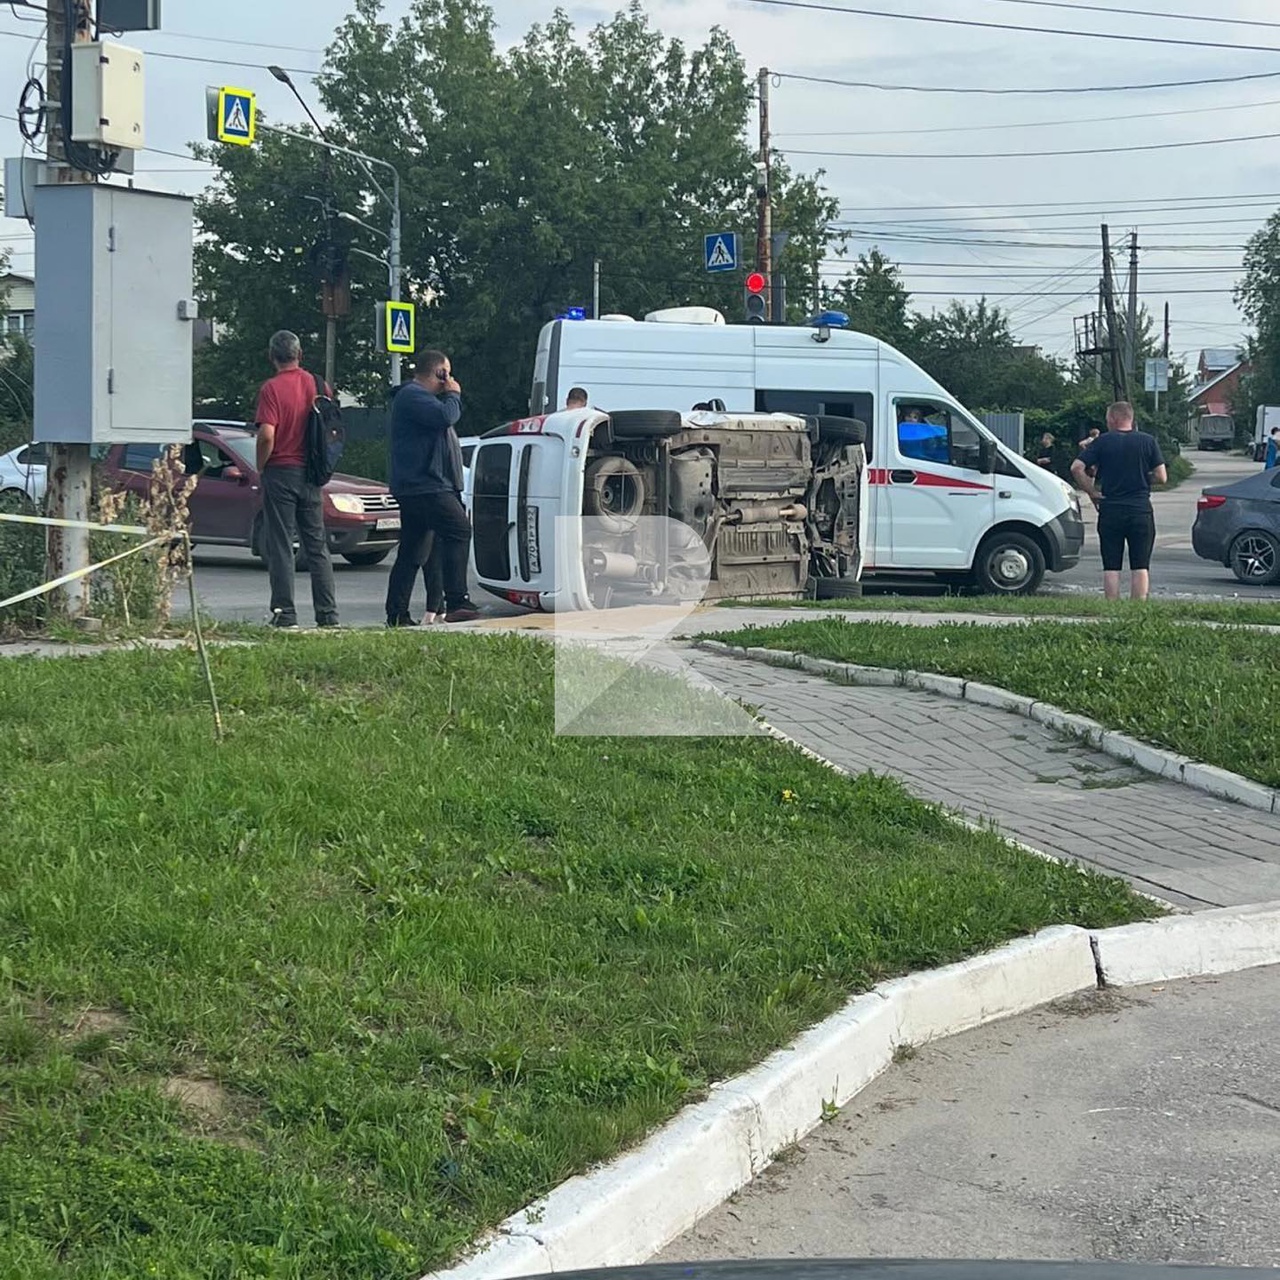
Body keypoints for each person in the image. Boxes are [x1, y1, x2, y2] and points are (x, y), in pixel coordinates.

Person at [384, 347, 480, 626]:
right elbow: (445, 417)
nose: (450, 380)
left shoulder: (416, 399)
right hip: (426, 484)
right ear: (439, 372)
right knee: (459, 530)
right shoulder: (414, 396)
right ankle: (457, 600)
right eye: (447, 374)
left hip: (417, 485)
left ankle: (397, 613)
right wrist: (453, 394)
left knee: (412, 552)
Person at [254, 330, 338, 630]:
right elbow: (331, 426)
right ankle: (328, 616)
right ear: (299, 354)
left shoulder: (271, 389)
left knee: (280, 545)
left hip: (281, 472)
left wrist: (260, 465)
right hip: (312, 472)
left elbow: (266, 434)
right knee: (317, 546)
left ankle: (285, 614)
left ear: (271, 357)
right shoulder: (317, 384)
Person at [1071, 401, 1167, 602]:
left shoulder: (1102, 442)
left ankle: (1111, 607)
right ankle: (1136, 608)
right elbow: (1162, 477)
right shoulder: (1148, 441)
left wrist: (1092, 492)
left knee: (1111, 565)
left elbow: (1076, 468)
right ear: (1130, 418)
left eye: (1107, 419)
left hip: (1110, 509)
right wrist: (1142, 477)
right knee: (1140, 565)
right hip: (1140, 510)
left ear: (1114, 419)